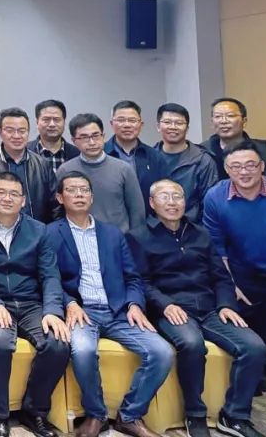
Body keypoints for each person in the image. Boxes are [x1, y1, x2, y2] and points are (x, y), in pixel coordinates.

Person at [130, 179, 266, 437]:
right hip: (172, 309)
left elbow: (221, 277)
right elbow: (141, 281)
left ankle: (234, 416)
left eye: (177, 196)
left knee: (254, 346)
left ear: (185, 201)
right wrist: (165, 304)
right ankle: (194, 414)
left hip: (210, 307)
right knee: (192, 344)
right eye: (164, 197)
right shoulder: (139, 236)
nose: (172, 202)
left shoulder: (201, 233)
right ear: (152, 203)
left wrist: (226, 304)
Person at [48, 173, 173, 437]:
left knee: (162, 352)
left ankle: (130, 415)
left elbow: (133, 277)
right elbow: (48, 278)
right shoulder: (50, 234)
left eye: (84, 190)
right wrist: (69, 303)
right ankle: (96, 414)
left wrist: (134, 304)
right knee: (83, 351)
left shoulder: (113, 234)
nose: (79, 194)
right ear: (60, 197)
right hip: (82, 313)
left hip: (118, 312)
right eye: (72, 190)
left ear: (92, 197)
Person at [0, 172, 70, 437]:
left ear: (23, 200)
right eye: (1, 192)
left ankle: (34, 411)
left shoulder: (39, 230)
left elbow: (50, 274)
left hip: (30, 303)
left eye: (14, 194)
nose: (7, 198)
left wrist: (52, 311)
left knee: (58, 343)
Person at [203, 141, 266, 395]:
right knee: (259, 322)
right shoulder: (215, 197)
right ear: (227, 170)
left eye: (250, 165)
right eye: (236, 166)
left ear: (262, 167)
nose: (244, 171)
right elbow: (217, 247)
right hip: (243, 272)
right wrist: (231, 284)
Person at [57, 114, 146, 235]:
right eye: (84, 137)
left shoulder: (123, 169)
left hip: (118, 239)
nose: (92, 142)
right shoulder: (65, 170)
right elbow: (59, 210)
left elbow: (137, 212)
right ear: (74, 141)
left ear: (103, 136)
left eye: (95, 135)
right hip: (78, 238)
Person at [0, 107, 57, 221]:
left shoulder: (42, 164)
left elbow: (55, 206)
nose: (16, 136)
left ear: (28, 132)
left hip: (36, 229)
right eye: (10, 130)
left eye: (22, 131)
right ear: (0, 132)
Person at [153, 103, 218, 222]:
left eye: (179, 123)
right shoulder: (148, 158)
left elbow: (209, 203)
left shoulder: (202, 160)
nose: (173, 127)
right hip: (155, 229)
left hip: (192, 228)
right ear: (158, 126)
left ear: (187, 128)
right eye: (167, 122)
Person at [203, 97, 266, 182]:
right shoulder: (203, 152)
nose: (223, 121)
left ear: (244, 121)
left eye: (230, 116)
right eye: (218, 116)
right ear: (212, 122)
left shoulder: (262, 153)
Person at [104, 100, 163, 201]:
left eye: (132, 120)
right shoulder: (101, 154)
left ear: (141, 124)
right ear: (111, 123)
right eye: (121, 120)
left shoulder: (154, 156)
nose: (127, 125)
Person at [29, 100, 80, 174]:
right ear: (37, 122)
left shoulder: (77, 154)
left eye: (57, 120)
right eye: (46, 120)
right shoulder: (25, 152)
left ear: (64, 122)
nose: (52, 124)